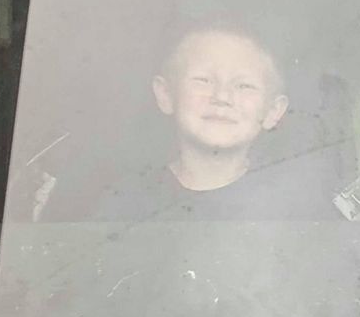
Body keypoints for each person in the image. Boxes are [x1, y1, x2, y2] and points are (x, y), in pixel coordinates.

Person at [92, 23, 335, 220]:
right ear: (165, 95)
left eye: (244, 86)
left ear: (273, 111)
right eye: (203, 80)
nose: (222, 97)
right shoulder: (126, 202)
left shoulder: (296, 208)